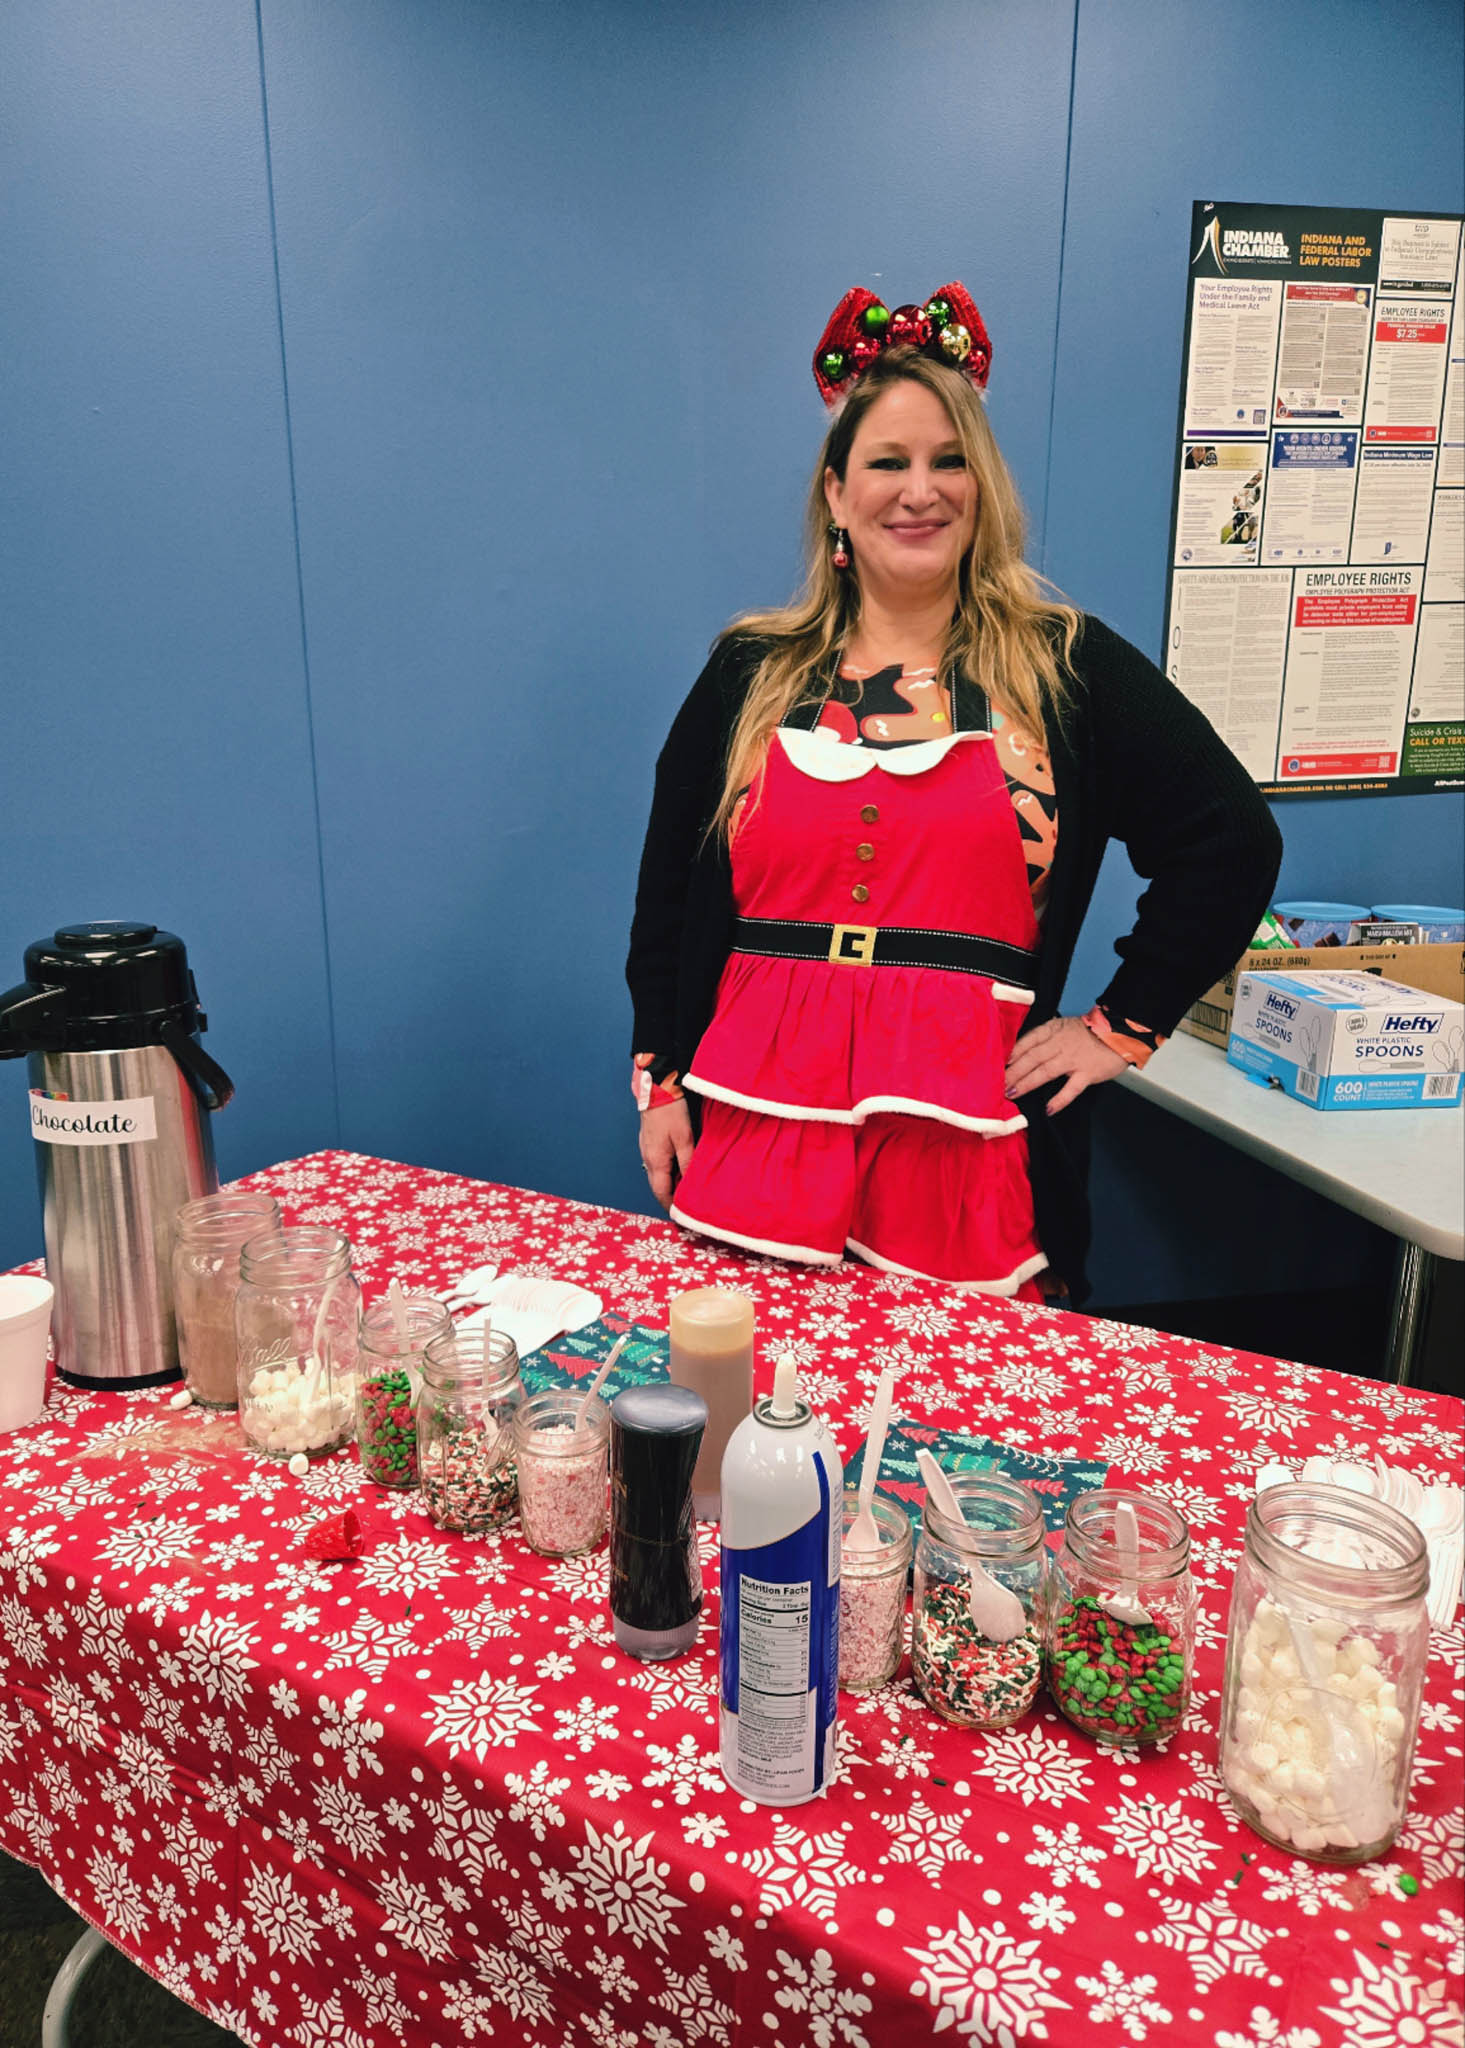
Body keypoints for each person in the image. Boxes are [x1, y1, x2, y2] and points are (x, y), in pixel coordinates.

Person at [626, 282, 1281, 1303]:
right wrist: (662, 1081)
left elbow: (1229, 839)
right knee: (756, 1417)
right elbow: (669, 895)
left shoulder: (1064, 668)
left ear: (982, 488)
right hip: (756, 1131)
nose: (918, 490)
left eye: (948, 462)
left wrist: (1120, 1026)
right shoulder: (748, 673)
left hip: (973, 1147)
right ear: (837, 494)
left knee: (959, 1435)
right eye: (887, 462)